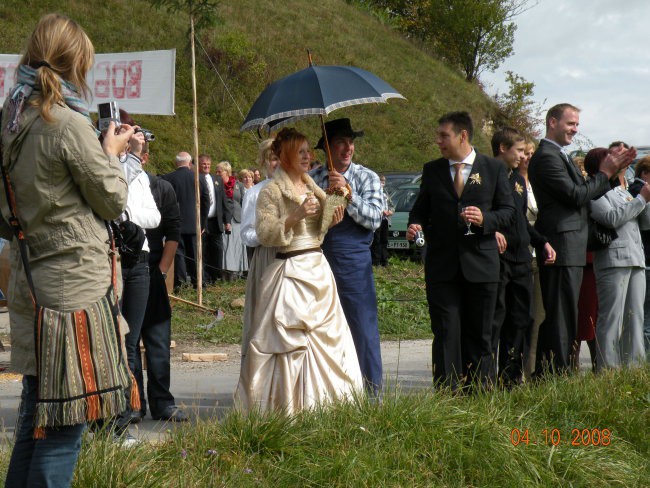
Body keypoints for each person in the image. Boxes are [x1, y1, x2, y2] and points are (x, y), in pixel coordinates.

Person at [0, 14, 134, 486]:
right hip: (72, 292)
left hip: (28, 281)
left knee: (35, 422)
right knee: (63, 428)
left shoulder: (12, 117)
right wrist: (112, 154)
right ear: (75, 63)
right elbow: (113, 199)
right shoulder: (66, 123)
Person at [236, 128, 363, 413]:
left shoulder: (311, 185)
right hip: (289, 271)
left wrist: (332, 214)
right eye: (302, 151)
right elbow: (265, 233)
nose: (308, 157)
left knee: (330, 338)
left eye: (309, 151)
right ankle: (287, 408)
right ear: (285, 155)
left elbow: (317, 230)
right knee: (289, 341)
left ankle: (331, 407)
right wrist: (295, 216)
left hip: (317, 268)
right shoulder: (270, 190)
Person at [407, 111, 515, 389]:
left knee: (480, 334)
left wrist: (485, 220)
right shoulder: (432, 170)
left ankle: (480, 393)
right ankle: (447, 396)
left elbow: (508, 212)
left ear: (462, 136)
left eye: (444, 136)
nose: (438, 141)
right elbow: (420, 210)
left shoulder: (492, 168)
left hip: (481, 266)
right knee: (445, 332)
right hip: (442, 267)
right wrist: (415, 226)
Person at [528, 103, 636, 376]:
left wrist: (612, 176)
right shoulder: (546, 157)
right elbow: (575, 196)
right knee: (561, 318)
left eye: (577, 124)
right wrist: (606, 173)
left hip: (572, 244)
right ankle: (555, 376)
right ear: (552, 122)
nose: (575, 129)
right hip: (561, 244)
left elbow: (583, 195)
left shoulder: (559, 155)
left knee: (566, 316)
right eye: (570, 123)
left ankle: (555, 375)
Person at [310, 118, 384, 394]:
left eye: (350, 142)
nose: (348, 148)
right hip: (318, 261)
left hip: (354, 263)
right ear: (327, 148)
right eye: (340, 142)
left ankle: (371, 394)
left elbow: (375, 218)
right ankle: (330, 395)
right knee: (322, 331)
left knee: (362, 330)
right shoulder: (315, 179)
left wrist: (349, 195)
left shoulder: (367, 177)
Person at [490, 128, 554, 386]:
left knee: (521, 319)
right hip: (499, 260)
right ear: (503, 148)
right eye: (518, 151)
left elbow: (520, 222)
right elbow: (481, 212)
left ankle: (511, 377)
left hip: (522, 259)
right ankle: (485, 377)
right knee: (497, 320)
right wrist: (490, 230)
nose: (523, 157)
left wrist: (542, 241)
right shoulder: (485, 175)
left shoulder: (517, 181)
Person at [134, 143, 188, 422]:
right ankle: (134, 403)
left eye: (137, 152)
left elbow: (173, 232)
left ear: (145, 157)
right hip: (122, 269)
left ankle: (162, 402)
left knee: (157, 339)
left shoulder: (161, 188)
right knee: (127, 342)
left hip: (152, 268)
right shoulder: (112, 182)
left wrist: (162, 270)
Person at [585, 148, 650, 371]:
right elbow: (611, 218)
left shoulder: (622, 191)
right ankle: (608, 371)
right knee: (612, 317)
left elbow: (645, 222)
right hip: (613, 260)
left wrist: (646, 198)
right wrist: (641, 198)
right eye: (610, 159)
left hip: (635, 258)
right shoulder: (594, 191)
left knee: (635, 318)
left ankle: (634, 367)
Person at [240, 139, 280, 364]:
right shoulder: (255, 193)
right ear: (264, 162)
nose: (277, 163)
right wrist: (269, 234)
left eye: (281, 157)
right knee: (265, 318)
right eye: (273, 158)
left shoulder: (298, 187)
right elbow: (246, 234)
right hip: (267, 259)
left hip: (293, 259)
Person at [162, 152, 210, 289]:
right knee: (195, 255)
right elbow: (206, 200)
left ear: (176, 163)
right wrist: (203, 221)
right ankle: (199, 282)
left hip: (175, 223)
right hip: (195, 223)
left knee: (179, 255)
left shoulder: (168, 178)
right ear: (190, 163)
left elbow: (165, 203)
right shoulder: (199, 178)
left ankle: (181, 284)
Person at [518, 140, 545, 376]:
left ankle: (531, 371)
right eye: (524, 153)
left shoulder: (540, 182)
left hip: (541, 254)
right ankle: (512, 372)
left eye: (531, 153)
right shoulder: (509, 182)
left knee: (538, 317)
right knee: (520, 316)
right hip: (520, 254)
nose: (527, 157)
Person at [628, 155, 650, 360]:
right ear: (645, 173)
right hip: (645, 258)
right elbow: (647, 221)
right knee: (645, 318)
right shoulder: (637, 189)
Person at [199, 154, 232, 283]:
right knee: (204, 250)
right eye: (204, 164)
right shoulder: (196, 179)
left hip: (216, 222)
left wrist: (227, 220)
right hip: (203, 221)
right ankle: (204, 278)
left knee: (217, 250)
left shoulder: (216, 180)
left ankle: (215, 277)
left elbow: (224, 202)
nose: (206, 166)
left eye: (208, 164)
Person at [218, 161, 248, 280]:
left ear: (227, 171)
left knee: (236, 247)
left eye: (219, 171)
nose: (217, 173)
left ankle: (236, 273)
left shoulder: (238, 184)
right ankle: (225, 272)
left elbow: (243, 201)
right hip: (224, 220)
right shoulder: (217, 184)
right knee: (226, 246)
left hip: (237, 219)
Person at [371, 174, 394, 267]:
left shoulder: (386, 192)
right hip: (377, 219)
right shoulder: (374, 193)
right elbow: (372, 206)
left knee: (384, 240)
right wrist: (381, 212)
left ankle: (384, 261)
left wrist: (390, 211)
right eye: (380, 181)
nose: (382, 183)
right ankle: (376, 262)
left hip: (385, 220)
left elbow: (392, 205)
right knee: (376, 240)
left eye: (383, 182)